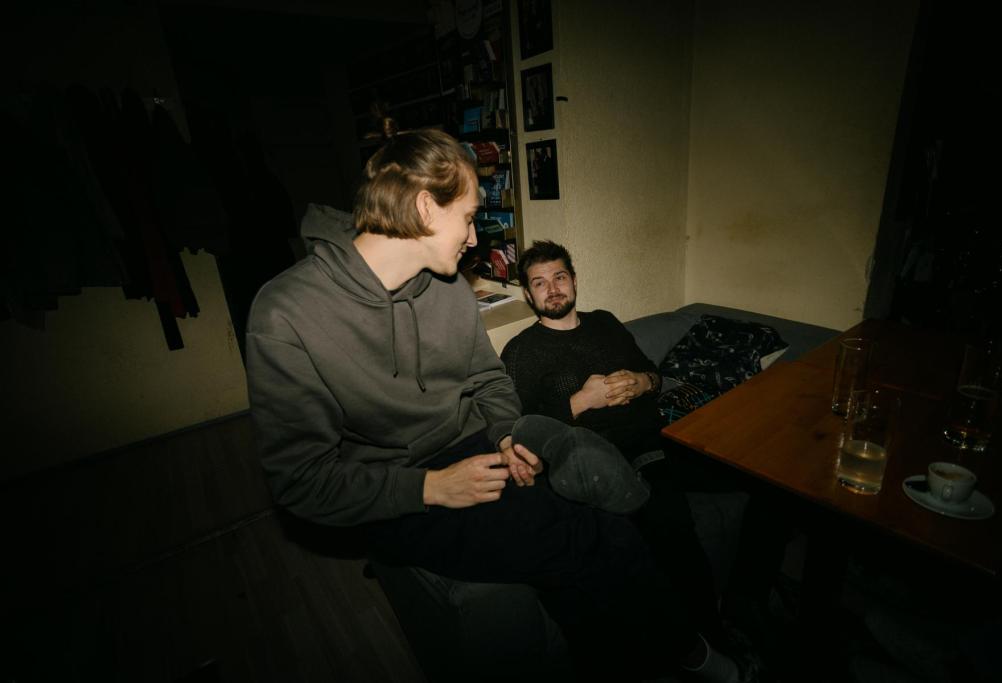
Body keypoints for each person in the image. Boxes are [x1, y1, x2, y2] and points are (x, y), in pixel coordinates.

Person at [245, 130, 744, 682]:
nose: (473, 236)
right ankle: (692, 654)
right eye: (468, 217)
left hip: (480, 448)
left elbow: (487, 379)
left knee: (599, 532)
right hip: (400, 488)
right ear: (424, 207)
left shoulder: (448, 287)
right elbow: (300, 482)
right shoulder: (286, 312)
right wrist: (431, 487)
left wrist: (509, 434)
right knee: (586, 541)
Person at [501, 240, 734, 650]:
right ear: (527, 293)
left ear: (574, 280)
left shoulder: (605, 322)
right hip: (601, 463)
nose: (552, 289)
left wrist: (643, 382)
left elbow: (652, 374)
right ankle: (708, 646)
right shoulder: (521, 351)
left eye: (559, 277)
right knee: (670, 528)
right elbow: (523, 429)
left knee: (765, 483)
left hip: (657, 439)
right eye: (539, 282)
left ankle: (736, 615)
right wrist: (581, 401)